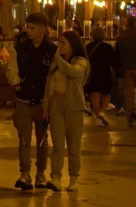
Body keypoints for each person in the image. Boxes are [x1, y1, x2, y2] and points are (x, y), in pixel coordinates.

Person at [5, 12, 56, 190]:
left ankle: (41, 173)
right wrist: (18, 84)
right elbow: (12, 70)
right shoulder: (20, 49)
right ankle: (25, 173)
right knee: (24, 140)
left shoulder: (51, 50)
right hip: (24, 101)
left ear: (43, 29)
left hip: (43, 102)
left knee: (43, 140)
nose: (29, 31)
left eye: (32, 28)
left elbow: (55, 75)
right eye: (27, 27)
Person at [43, 30, 88, 192]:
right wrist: (46, 106)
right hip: (56, 104)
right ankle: (55, 177)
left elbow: (73, 71)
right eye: (58, 43)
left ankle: (74, 177)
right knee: (57, 143)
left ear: (72, 45)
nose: (59, 46)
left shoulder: (80, 61)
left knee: (74, 144)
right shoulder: (57, 62)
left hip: (74, 106)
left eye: (63, 43)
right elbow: (49, 84)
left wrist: (58, 60)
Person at [115, 16, 136, 126]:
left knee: (129, 93)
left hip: (126, 69)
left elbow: (117, 55)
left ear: (126, 24)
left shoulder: (120, 37)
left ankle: (129, 119)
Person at [84, 27, 118, 126]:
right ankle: (103, 112)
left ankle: (97, 115)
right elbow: (113, 61)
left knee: (95, 95)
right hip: (105, 73)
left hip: (93, 73)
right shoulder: (107, 47)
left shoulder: (89, 46)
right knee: (106, 94)